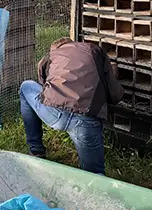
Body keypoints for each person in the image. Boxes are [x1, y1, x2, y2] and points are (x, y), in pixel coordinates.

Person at [19, 38, 124, 174]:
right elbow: (115, 93)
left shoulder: (51, 56)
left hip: (54, 113)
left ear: (55, 48)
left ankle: (36, 150)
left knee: (26, 86)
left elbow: (43, 84)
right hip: (86, 120)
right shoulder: (95, 51)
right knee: (95, 175)